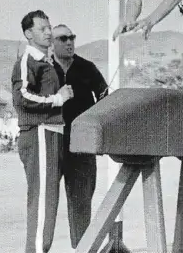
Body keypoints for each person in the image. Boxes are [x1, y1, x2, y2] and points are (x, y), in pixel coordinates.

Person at [12, 10, 74, 253]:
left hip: (51, 134)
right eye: (42, 29)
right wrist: (57, 99)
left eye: (49, 28)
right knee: (42, 202)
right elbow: (21, 97)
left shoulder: (45, 61)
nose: (49, 33)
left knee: (48, 201)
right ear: (28, 34)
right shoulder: (29, 60)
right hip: (40, 133)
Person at [50, 24, 109, 249]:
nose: (69, 42)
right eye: (63, 38)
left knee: (81, 203)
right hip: (53, 143)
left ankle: (82, 249)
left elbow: (105, 98)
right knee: (47, 203)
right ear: (52, 43)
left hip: (82, 146)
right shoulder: (45, 70)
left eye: (72, 38)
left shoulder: (88, 68)